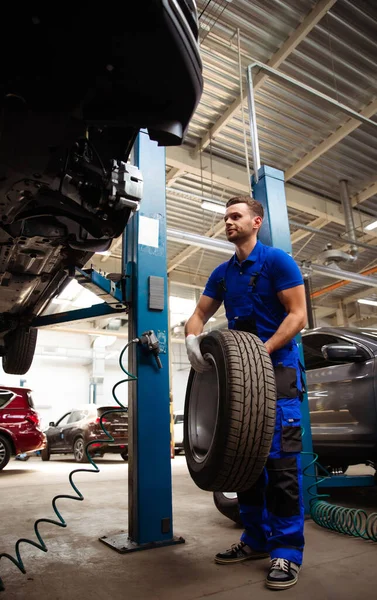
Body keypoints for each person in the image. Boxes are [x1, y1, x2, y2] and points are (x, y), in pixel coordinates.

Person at [184, 196, 307, 590]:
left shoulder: (278, 262)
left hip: (279, 370)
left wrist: (261, 352)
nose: (228, 223)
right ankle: (254, 540)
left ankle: (287, 553)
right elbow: (200, 314)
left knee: (280, 466)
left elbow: (298, 315)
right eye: (225, 218)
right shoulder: (223, 273)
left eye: (235, 217)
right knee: (246, 460)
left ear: (257, 221)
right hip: (241, 378)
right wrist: (191, 339)